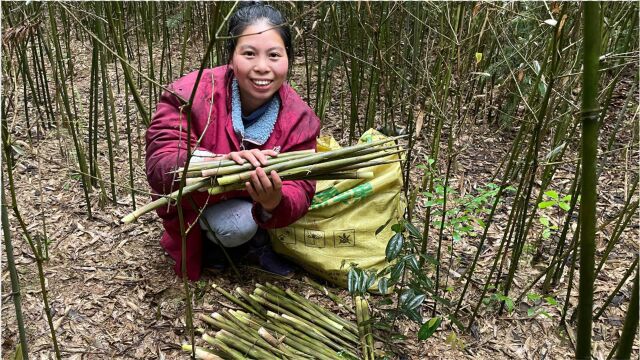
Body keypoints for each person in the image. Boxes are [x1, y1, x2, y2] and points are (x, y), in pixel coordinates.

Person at [145, 3, 320, 280]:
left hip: (253, 208)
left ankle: (257, 241)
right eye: (249, 54)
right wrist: (211, 163)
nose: (262, 67)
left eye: (274, 55)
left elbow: (302, 186)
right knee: (233, 227)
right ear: (231, 57)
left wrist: (274, 201)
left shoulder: (300, 118)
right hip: (198, 201)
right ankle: (210, 243)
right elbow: (160, 165)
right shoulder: (191, 93)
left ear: (288, 59)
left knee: (244, 224)